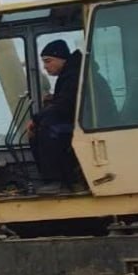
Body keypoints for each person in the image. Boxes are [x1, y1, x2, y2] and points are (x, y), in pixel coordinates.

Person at [27, 39, 86, 195]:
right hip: (81, 121)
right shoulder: (72, 73)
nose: (45, 67)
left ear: (61, 58)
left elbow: (64, 107)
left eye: (48, 61)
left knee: (47, 129)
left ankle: (56, 180)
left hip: (84, 125)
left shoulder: (73, 75)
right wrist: (53, 99)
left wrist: (36, 119)